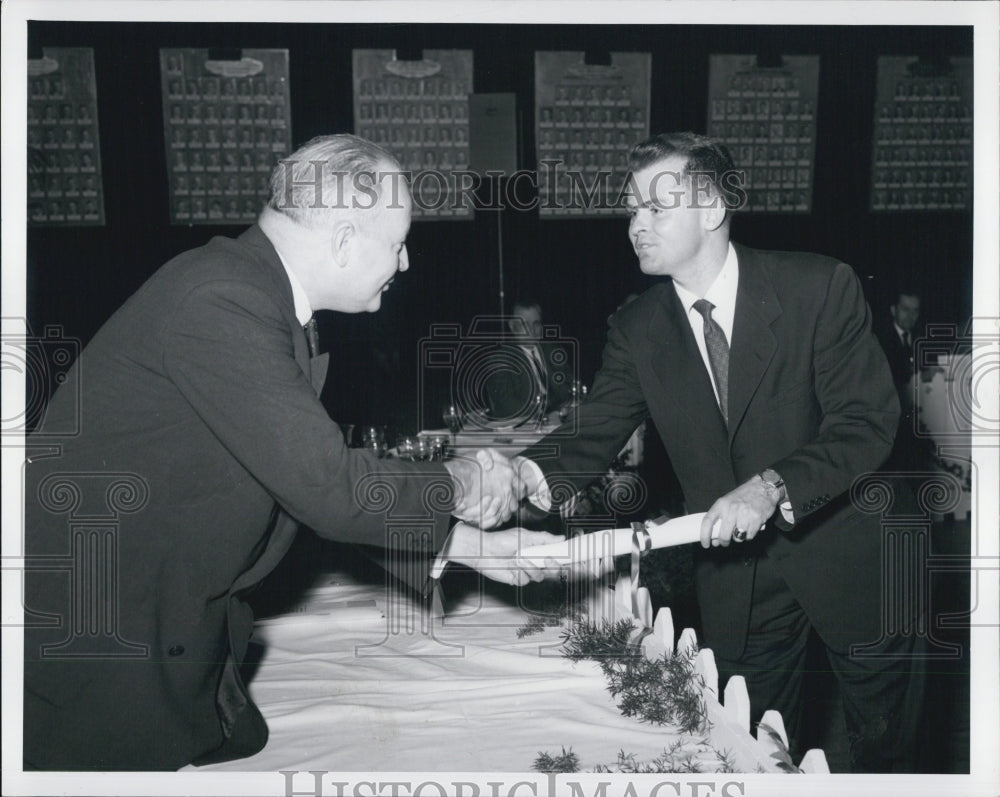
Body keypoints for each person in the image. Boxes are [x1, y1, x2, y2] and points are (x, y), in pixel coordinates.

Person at [22, 135, 557, 771]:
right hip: (99, 651)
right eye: (398, 242)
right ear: (344, 240)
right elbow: (330, 489)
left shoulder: (256, 296)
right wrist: (464, 478)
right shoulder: (222, 301)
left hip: (166, 630)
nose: (407, 262)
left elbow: (296, 484)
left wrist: (467, 547)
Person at [516, 132, 925, 772]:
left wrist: (771, 486)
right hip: (739, 577)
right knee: (750, 754)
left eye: (655, 207)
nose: (635, 226)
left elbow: (866, 420)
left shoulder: (818, 288)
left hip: (856, 559)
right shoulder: (637, 326)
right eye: (631, 210)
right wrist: (521, 471)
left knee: (887, 752)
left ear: (712, 210)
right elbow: (592, 431)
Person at [480, 301, 575, 426]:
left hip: (560, 423)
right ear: (512, 326)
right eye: (524, 324)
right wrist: (546, 417)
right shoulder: (500, 359)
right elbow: (506, 406)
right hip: (523, 430)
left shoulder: (552, 351)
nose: (532, 330)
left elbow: (570, 390)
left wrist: (562, 412)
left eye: (536, 324)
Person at [874, 289, 933, 470]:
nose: (910, 316)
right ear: (893, 310)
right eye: (905, 309)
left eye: (915, 311)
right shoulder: (879, 339)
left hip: (917, 418)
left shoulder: (922, 338)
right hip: (889, 421)